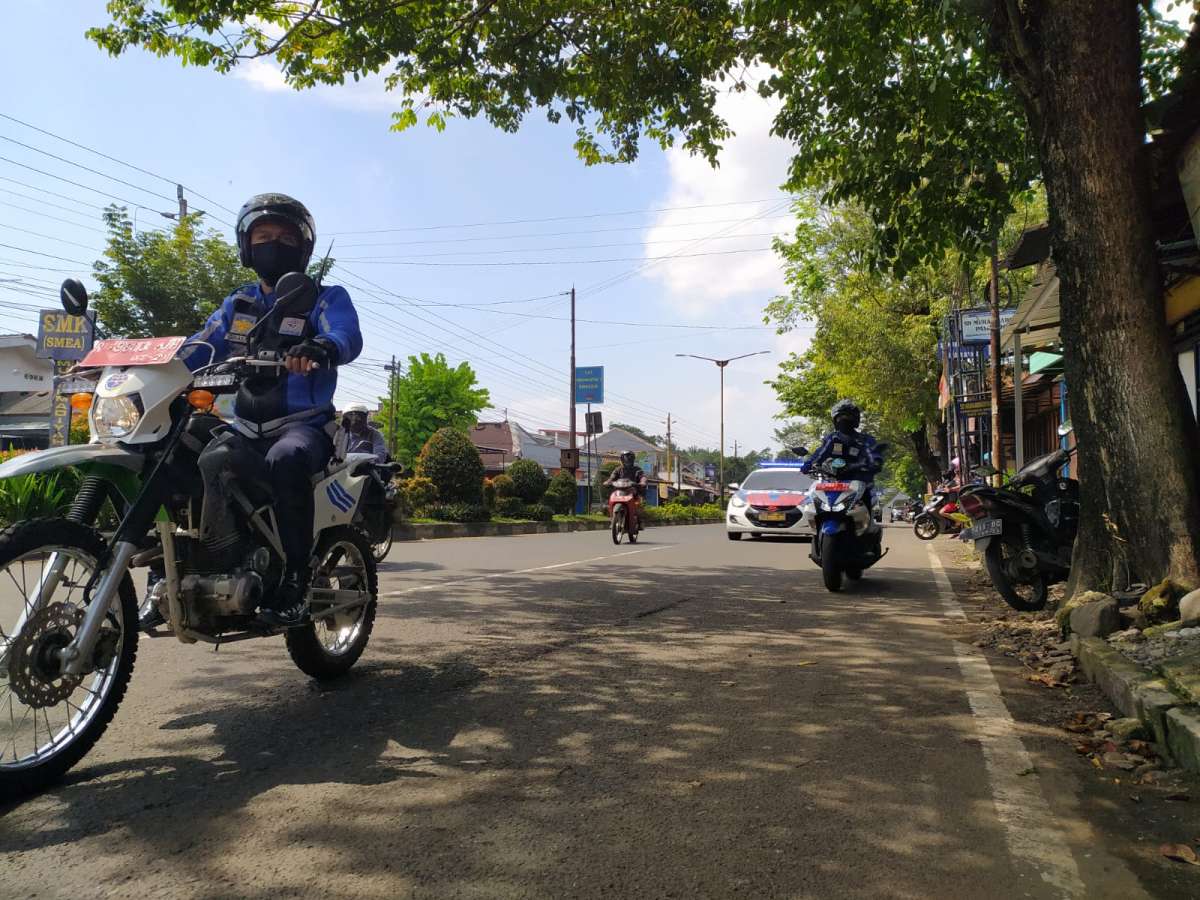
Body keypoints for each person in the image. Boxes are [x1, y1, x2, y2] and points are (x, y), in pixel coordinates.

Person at [181, 193, 363, 628]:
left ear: (302, 248)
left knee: (286, 458)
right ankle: (190, 561)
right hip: (242, 425)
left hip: (303, 426)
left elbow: (347, 335)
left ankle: (297, 578)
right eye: (263, 236)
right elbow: (199, 346)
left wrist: (321, 345)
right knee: (182, 445)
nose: (273, 244)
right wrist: (147, 363)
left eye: (284, 237)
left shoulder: (323, 297)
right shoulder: (238, 304)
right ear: (247, 246)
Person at [800, 399, 883, 506]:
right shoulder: (832, 438)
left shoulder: (866, 440)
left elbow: (875, 457)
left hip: (860, 483)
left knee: (869, 500)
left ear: (855, 419)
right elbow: (820, 453)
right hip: (833, 483)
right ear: (835, 420)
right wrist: (808, 464)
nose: (844, 420)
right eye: (840, 417)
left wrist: (873, 464)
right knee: (814, 503)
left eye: (848, 417)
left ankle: (867, 522)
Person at [605, 450, 649, 530]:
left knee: (638, 504)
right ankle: (612, 520)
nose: (627, 460)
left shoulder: (637, 469)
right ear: (622, 459)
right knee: (610, 500)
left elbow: (642, 476)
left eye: (629, 458)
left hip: (632, 491)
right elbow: (612, 478)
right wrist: (608, 482)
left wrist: (642, 482)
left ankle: (639, 521)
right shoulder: (618, 469)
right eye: (625, 458)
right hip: (619, 491)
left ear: (633, 459)